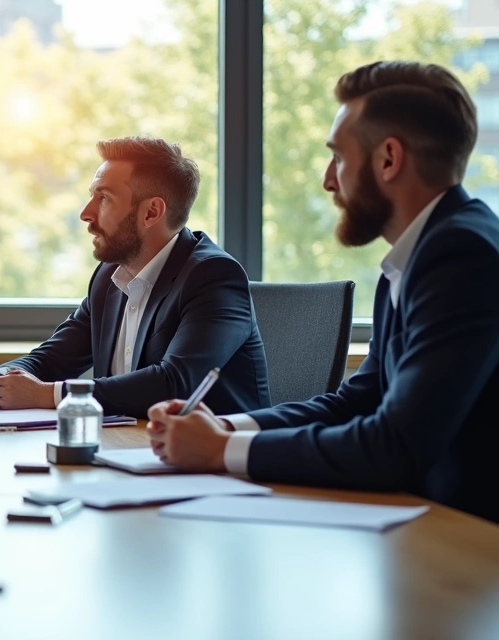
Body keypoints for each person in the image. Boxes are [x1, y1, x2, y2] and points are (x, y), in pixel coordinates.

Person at [147, 61, 499, 524]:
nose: (329, 180)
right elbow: (358, 400)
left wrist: (223, 451)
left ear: (388, 159)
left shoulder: (461, 254)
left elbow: (394, 447)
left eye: (338, 157)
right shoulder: (421, 252)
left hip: (466, 548)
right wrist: (225, 426)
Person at [0, 137, 270, 418]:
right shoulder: (110, 278)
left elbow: (176, 383)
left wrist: (49, 395)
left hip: (212, 475)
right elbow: (53, 359)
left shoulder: (213, 277)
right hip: (128, 455)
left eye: (103, 198)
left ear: (151, 212)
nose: (86, 213)